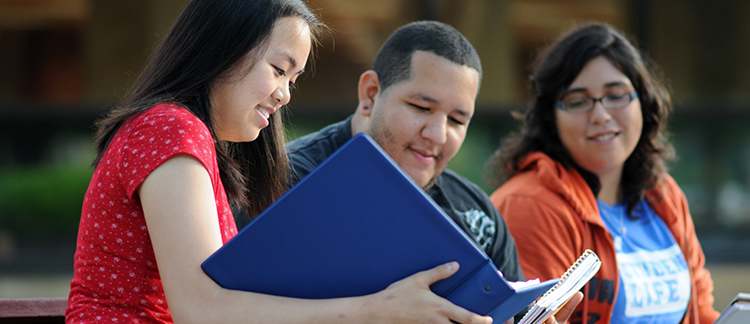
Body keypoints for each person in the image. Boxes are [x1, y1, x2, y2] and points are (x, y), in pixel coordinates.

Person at [64, 1, 500, 323]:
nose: (285, 93)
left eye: (293, 79)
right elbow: (200, 309)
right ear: (224, 48)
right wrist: (376, 310)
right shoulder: (170, 128)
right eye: (278, 69)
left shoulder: (190, 138)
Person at [286, 20, 581, 324]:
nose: (438, 134)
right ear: (371, 94)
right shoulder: (288, 181)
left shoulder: (478, 216)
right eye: (422, 108)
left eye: (456, 120)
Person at [486, 22, 720, 324]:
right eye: (578, 101)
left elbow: (702, 312)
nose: (600, 115)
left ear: (644, 103)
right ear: (550, 117)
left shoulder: (663, 193)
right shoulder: (530, 204)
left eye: (616, 95)